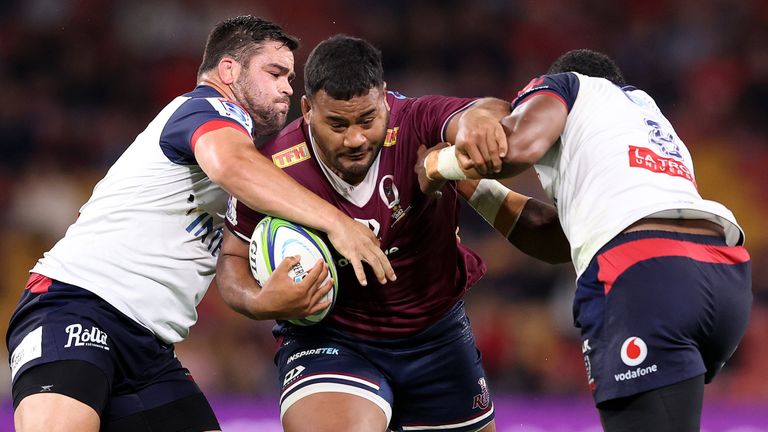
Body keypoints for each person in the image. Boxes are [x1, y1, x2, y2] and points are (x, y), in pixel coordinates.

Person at [5, 16, 396, 432]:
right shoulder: (203, 108)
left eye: (290, 77)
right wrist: (338, 224)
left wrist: (266, 304)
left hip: (149, 347)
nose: (287, 87)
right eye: (275, 73)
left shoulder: (257, 166)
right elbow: (231, 164)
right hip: (75, 306)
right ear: (229, 70)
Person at [215, 34, 569, 432]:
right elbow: (231, 261)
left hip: (437, 335)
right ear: (307, 109)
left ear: (384, 98)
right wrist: (261, 303)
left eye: (367, 119)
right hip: (331, 339)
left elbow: (480, 112)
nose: (355, 138)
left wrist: (478, 127)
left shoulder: (416, 122)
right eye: (337, 124)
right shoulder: (275, 165)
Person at [422, 49, 752, 431]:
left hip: (645, 276)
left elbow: (514, 146)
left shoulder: (567, 85)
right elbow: (558, 240)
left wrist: (438, 164)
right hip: (722, 274)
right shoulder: (651, 123)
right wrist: (470, 185)